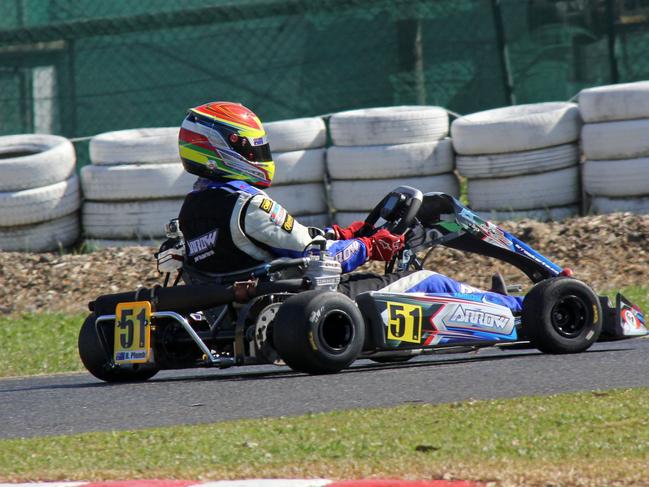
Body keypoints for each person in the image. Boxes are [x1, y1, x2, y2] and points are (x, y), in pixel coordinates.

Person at [177, 101, 523, 314]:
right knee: (429, 282)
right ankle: (520, 309)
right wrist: (369, 245)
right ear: (223, 150)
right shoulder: (248, 203)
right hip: (298, 298)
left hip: (241, 306)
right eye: (254, 149)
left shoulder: (192, 209)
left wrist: (344, 233)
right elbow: (320, 257)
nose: (260, 156)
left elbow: (283, 243)